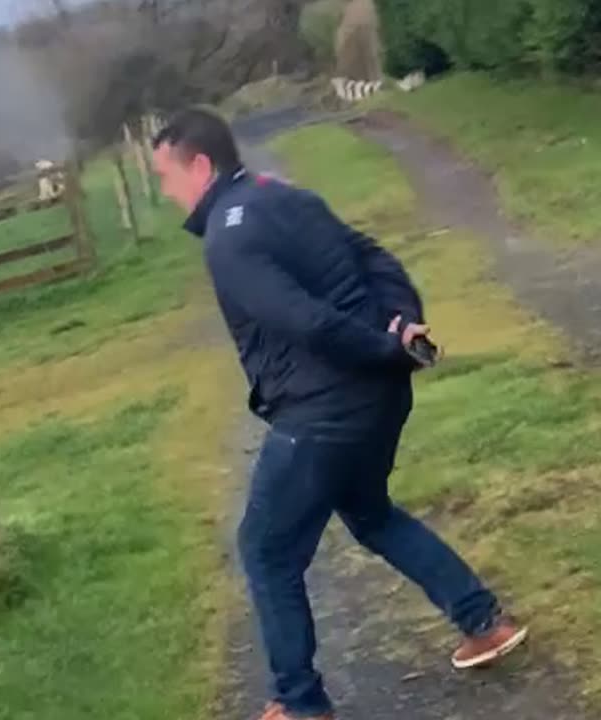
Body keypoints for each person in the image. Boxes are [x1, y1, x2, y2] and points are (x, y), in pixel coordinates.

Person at [149, 107, 528, 720]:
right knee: (370, 513)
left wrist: (385, 344)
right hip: (377, 395)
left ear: (200, 164)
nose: (166, 192)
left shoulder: (228, 234)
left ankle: (298, 704)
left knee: (266, 549)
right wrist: (402, 323)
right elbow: (374, 256)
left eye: (167, 176)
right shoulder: (285, 195)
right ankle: (484, 622)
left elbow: (304, 320)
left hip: (324, 412)